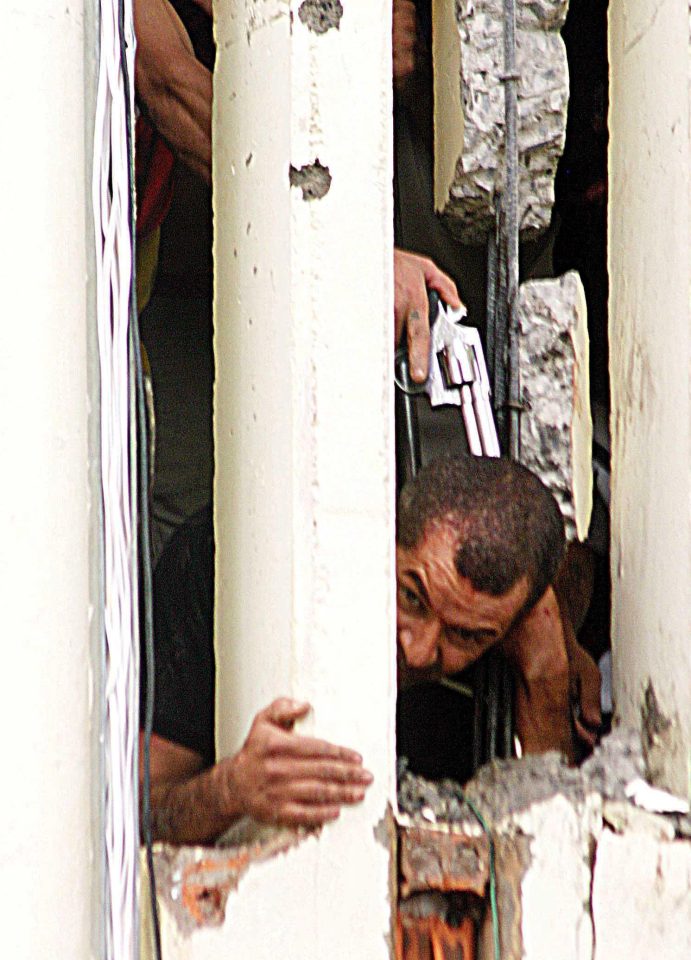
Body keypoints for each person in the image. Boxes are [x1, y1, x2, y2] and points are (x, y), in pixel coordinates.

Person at [140, 455, 600, 845]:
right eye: (411, 597)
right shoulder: (231, 560)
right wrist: (230, 791)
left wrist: (546, 681)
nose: (419, 651)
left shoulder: (505, 665)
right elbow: (137, 811)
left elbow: (553, 856)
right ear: (384, 535)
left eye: (466, 636)